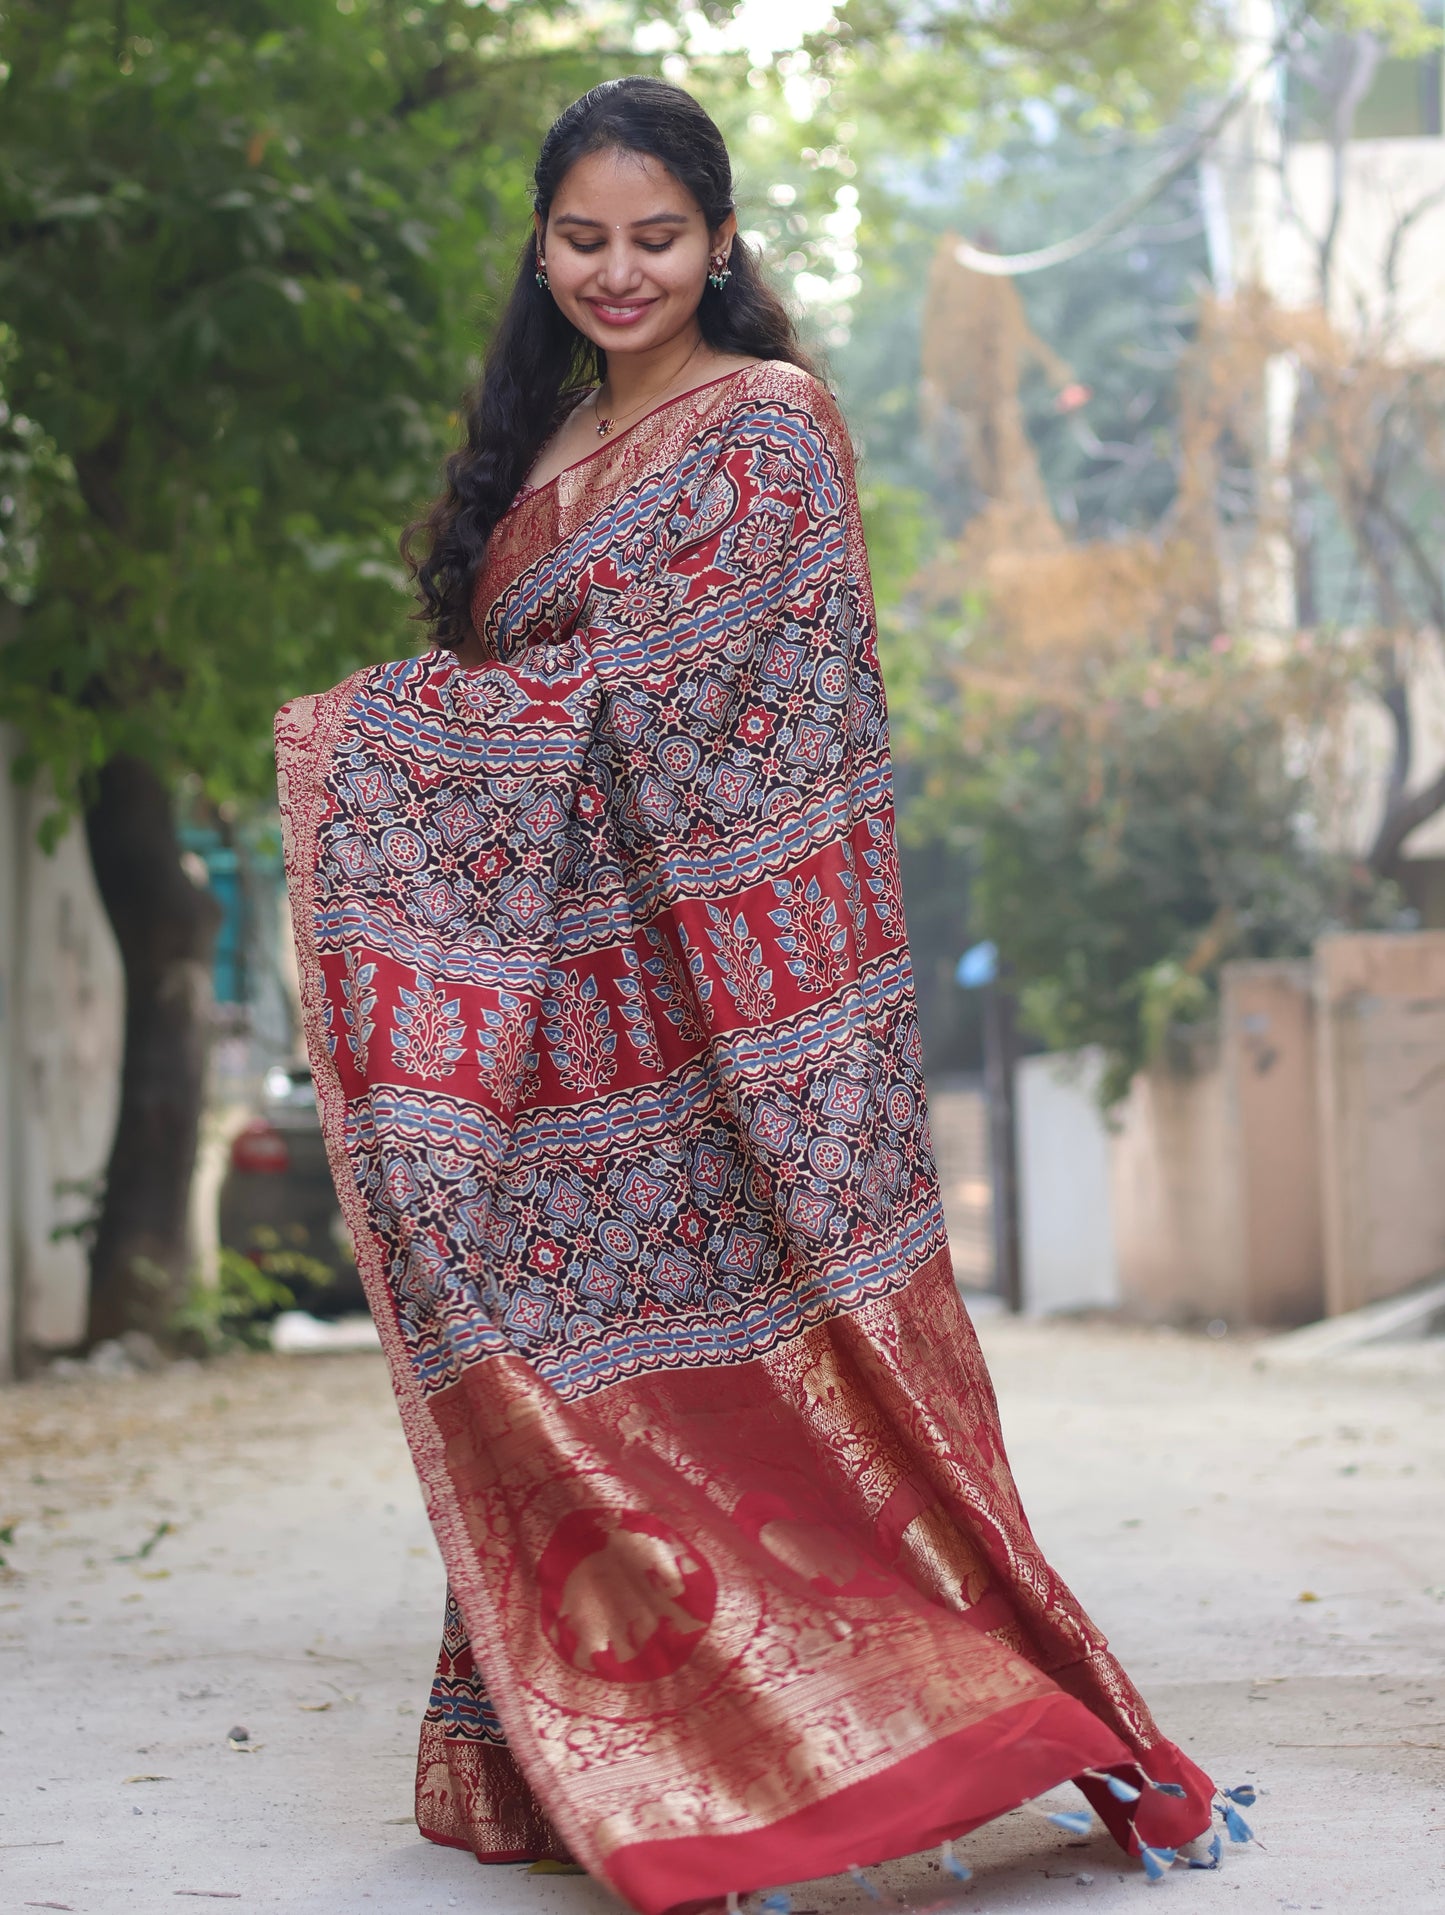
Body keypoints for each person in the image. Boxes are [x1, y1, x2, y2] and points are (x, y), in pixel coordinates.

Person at [276, 74, 1226, 1915]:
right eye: (581, 240)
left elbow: (736, 723)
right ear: (538, 245)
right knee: (548, 1376)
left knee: (775, 1398)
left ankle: (905, 1738)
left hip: (718, 1034)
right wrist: (439, 739)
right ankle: (615, 1746)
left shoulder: (764, 426)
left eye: (655, 239)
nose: (617, 272)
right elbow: (540, 693)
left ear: (720, 241)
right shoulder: (536, 450)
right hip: (554, 1040)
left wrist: (407, 734)